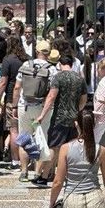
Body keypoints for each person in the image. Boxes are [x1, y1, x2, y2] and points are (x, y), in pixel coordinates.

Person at [34, 54, 88, 186]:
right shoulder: (80, 79)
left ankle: (45, 176)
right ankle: (72, 176)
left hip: (59, 118)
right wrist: (77, 111)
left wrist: (42, 115)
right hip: (74, 118)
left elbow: (52, 96)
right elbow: (84, 100)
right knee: (71, 148)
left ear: (60, 64)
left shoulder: (58, 77)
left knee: (54, 147)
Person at [12, 40, 57, 182]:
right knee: (42, 139)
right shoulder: (52, 69)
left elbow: (17, 88)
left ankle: (24, 171)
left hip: (24, 105)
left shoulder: (25, 65)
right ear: (48, 53)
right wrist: (44, 112)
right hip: (41, 108)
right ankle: (37, 173)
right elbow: (51, 94)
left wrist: (14, 106)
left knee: (24, 138)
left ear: (36, 51)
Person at [0, 35, 29, 174]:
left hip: (12, 98)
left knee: (14, 131)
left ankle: (16, 161)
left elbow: (3, 81)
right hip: (27, 98)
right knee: (27, 131)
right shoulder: (27, 59)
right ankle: (28, 158)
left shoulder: (8, 60)